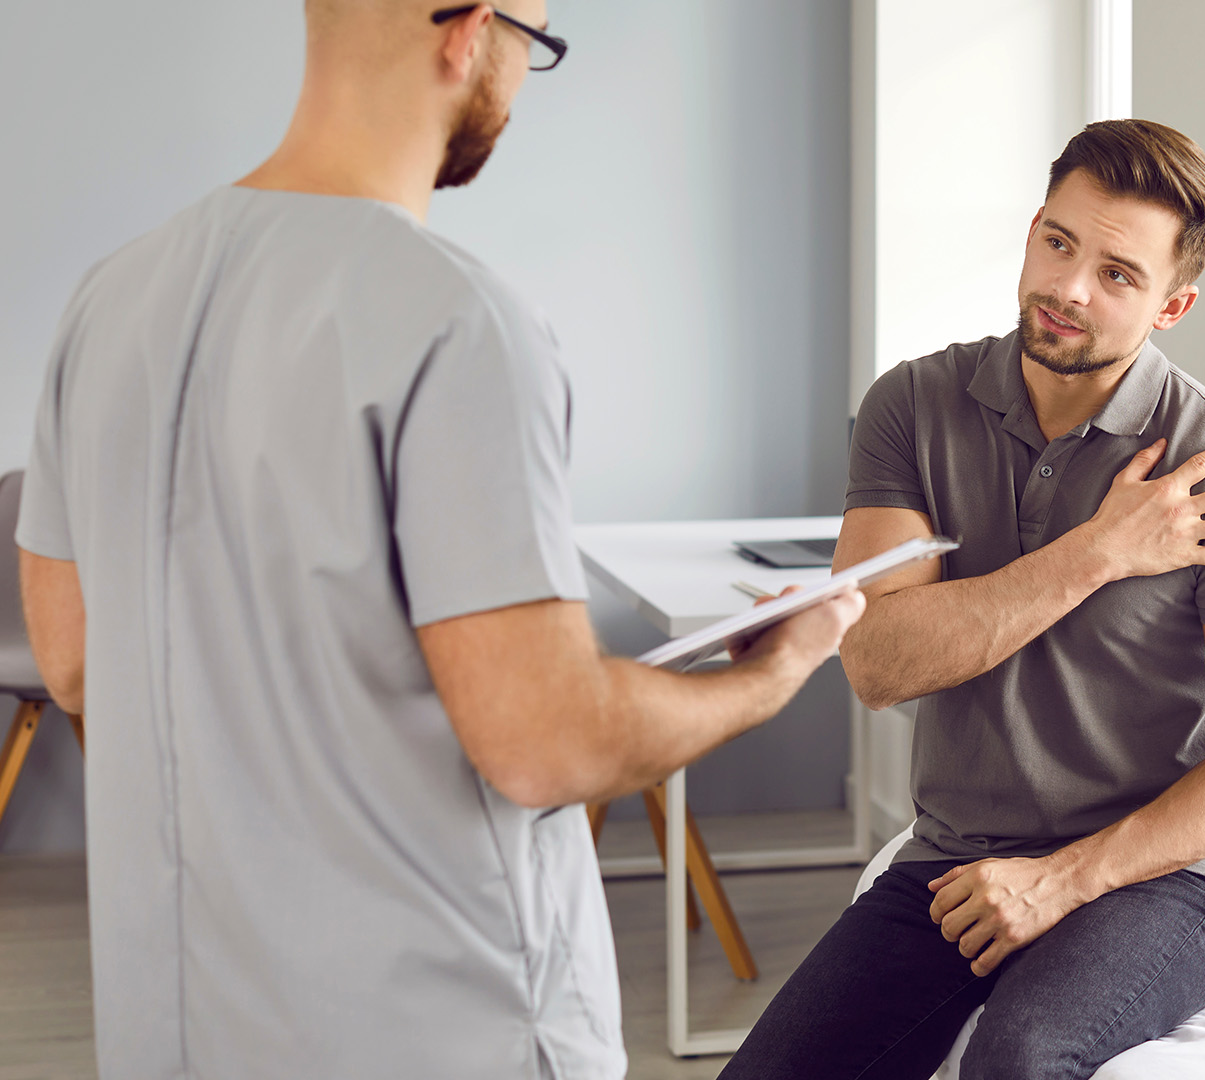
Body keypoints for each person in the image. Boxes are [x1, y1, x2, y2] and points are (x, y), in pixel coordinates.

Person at [13, 3, 863, 1078]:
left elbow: (75, 659)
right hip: (433, 1028)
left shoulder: (108, 301)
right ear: (464, 31)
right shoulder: (457, 320)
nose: (521, 76)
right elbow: (544, 741)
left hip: (177, 1030)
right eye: (533, 43)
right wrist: (772, 675)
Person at [719, 119, 1205, 1080]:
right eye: (1058, 242)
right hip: (950, 858)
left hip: (1160, 881)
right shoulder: (911, 407)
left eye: (1119, 274)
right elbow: (878, 664)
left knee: (1019, 1060)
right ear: (1035, 226)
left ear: (1174, 305)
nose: (1069, 287)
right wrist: (1098, 553)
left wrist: (1062, 881)